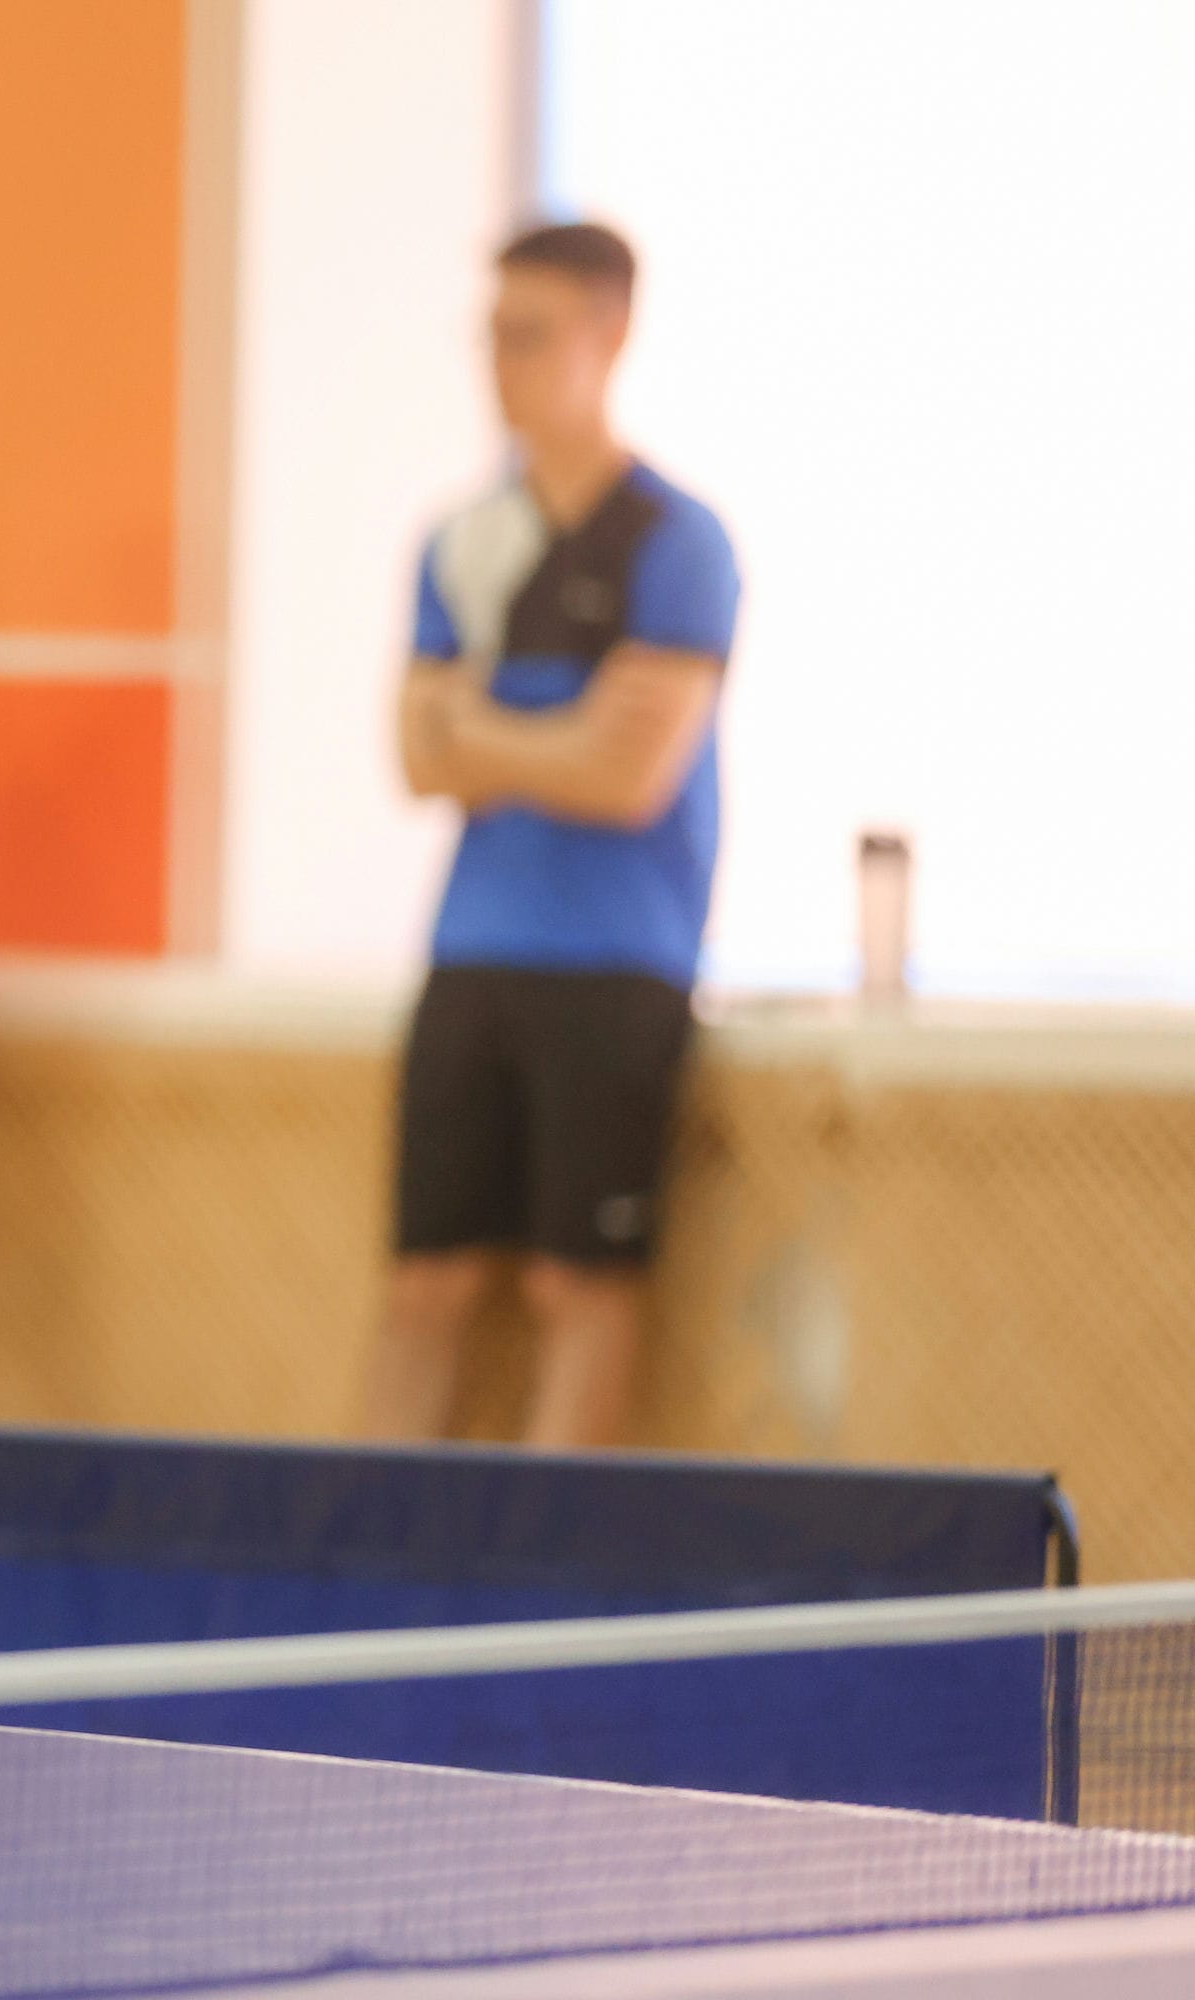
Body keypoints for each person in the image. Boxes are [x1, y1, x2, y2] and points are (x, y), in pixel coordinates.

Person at [361, 221, 741, 1450]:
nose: (502, 364)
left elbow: (631, 776)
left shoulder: (676, 541)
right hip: (472, 952)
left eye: (530, 335)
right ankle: (374, 1546)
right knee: (425, 1284)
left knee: (580, 1286)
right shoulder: (462, 542)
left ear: (609, 334)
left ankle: (548, 1562)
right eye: (490, 336)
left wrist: (482, 724)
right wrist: (561, 729)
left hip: (618, 966)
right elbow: (418, 757)